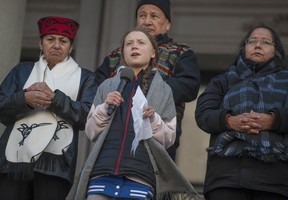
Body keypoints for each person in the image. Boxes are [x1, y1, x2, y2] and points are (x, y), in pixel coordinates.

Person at [67, 28, 202, 200]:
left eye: (141, 43)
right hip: (103, 171)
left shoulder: (163, 90)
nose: (134, 47)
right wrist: (104, 108)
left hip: (141, 175)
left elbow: (169, 138)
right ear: (123, 52)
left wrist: (153, 119)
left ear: (153, 52)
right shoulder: (107, 86)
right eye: (129, 44)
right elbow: (91, 132)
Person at [95, 0, 201, 161]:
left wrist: (143, 88)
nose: (147, 21)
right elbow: (97, 88)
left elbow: (188, 87)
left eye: (154, 16)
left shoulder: (181, 52)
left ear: (167, 24)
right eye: (142, 15)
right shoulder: (116, 55)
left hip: (158, 137)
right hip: (114, 136)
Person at [0, 16, 97, 200]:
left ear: (71, 47)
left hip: (55, 166)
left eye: (63, 40)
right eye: (50, 39)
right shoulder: (22, 71)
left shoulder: (86, 78)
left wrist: (54, 99)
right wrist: (24, 99)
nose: (57, 45)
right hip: (13, 164)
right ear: (40, 43)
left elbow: (87, 116)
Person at [195, 25, 288, 200]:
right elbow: (203, 114)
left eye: (266, 42)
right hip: (226, 176)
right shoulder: (222, 81)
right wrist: (229, 121)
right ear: (244, 48)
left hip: (274, 178)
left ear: (277, 51)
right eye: (252, 41)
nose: (258, 45)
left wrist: (273, 120)